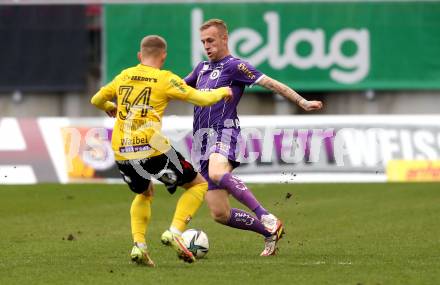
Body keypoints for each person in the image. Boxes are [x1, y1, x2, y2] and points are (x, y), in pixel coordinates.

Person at [180, 19, 323, 256]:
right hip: (202, 142)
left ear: (224, 39)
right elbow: (175, 89)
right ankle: (269, 232)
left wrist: (301, 101)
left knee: (217, 172)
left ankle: (265, 215)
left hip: (224, 131)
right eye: (203, 41)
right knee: (220, 214)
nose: (206, 46)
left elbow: (271, 83)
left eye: (211, 40)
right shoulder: (200, 69)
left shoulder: (235, 66)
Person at [90, 35, 232, 266]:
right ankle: (175, 232)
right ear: (163, 56)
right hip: (151, 149)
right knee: (198, 184)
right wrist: (223, 91)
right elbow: (201, 99)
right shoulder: (164, 78)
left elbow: (96, 99)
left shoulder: (124, 75)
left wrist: (109, 106)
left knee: (144, 193)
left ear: (139, 56)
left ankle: (139, 246)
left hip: (122, 151)